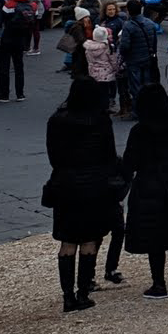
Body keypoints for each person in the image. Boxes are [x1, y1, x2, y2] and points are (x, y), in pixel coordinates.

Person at [45, 76, 124, 311]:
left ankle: (67, 296)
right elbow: (109, 155)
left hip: (66, 184)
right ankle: (83, 292)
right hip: (94, 185)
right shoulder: (100, 120)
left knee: (68, 242)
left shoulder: (57, 120)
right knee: (89, 240)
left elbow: (53, 156)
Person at [123, 82, 168, 298]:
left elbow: (130, 162)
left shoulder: (140, 130)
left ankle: (159, 283)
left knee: (154, 236)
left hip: (149, 184)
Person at [0, 0, 33, 102]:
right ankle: (20, 94)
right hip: (21, 39)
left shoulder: (9, 5)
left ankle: (4, 95)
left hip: (8, 38)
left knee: (4, 67)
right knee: (19, 66)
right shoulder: (29, 5)